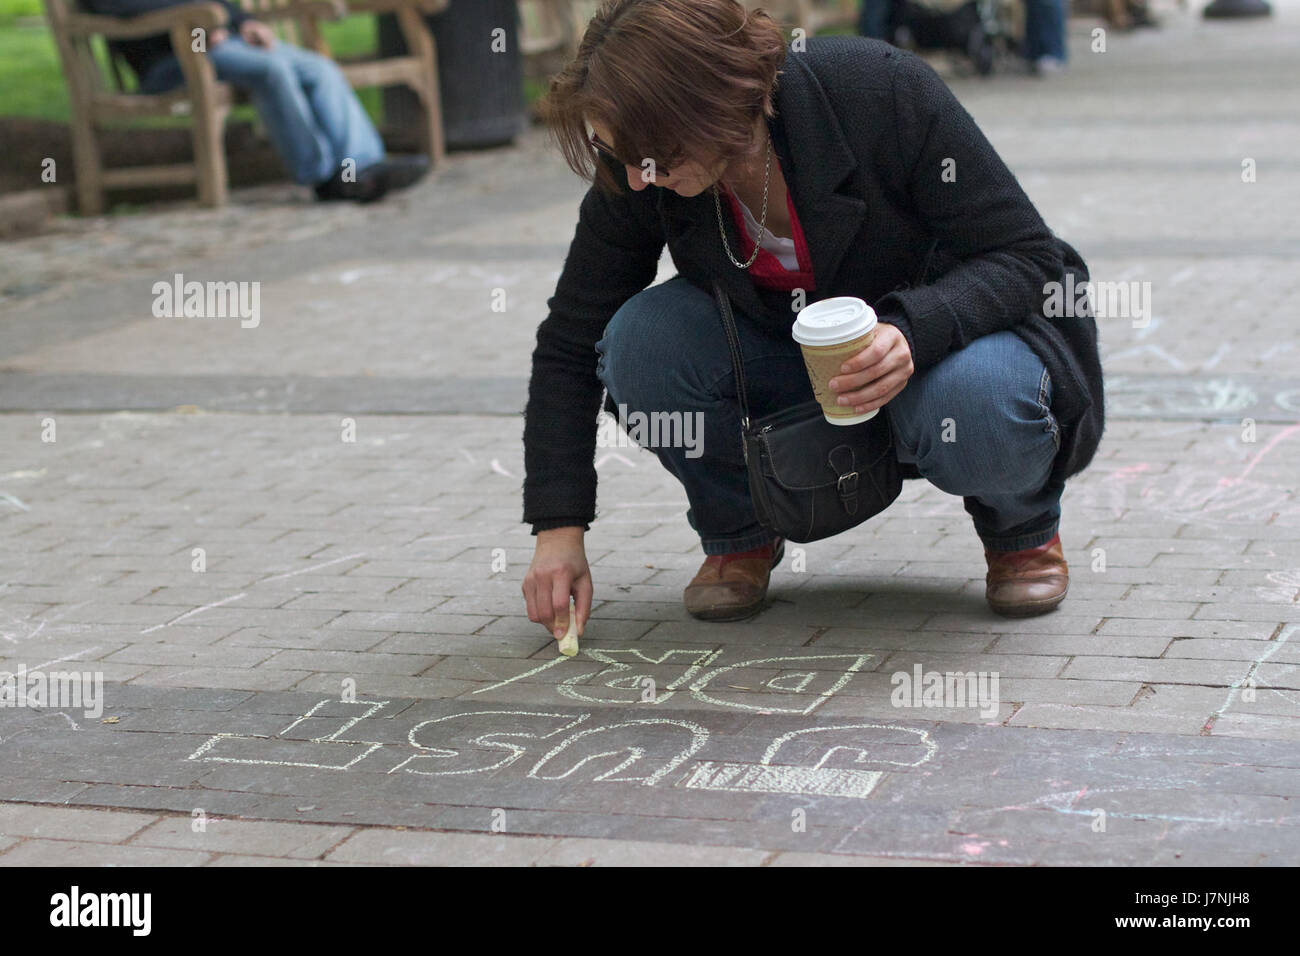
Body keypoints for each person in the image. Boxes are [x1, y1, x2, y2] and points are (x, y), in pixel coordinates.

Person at [521, 0, 1103, 644]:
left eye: (653, 155)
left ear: (714, 103)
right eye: (619, 156)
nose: (636, 179)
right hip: (779, 360)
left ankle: (1020, 529)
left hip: (939, 357)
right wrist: (559, 530)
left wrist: (913, 330)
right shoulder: (642, 162)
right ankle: (740, 528)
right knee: (639, 344)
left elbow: (1028, 256)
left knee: (980, 400)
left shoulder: (876, 87)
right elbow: (571, 339)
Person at [86, 0, 429, 202]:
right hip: (173, 60)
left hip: (224, 44)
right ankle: (323, 178)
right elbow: (115, 7)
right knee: (272, 70)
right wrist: (196, 24)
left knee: (319, 68)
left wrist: (243, 21)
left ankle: (362, 165)